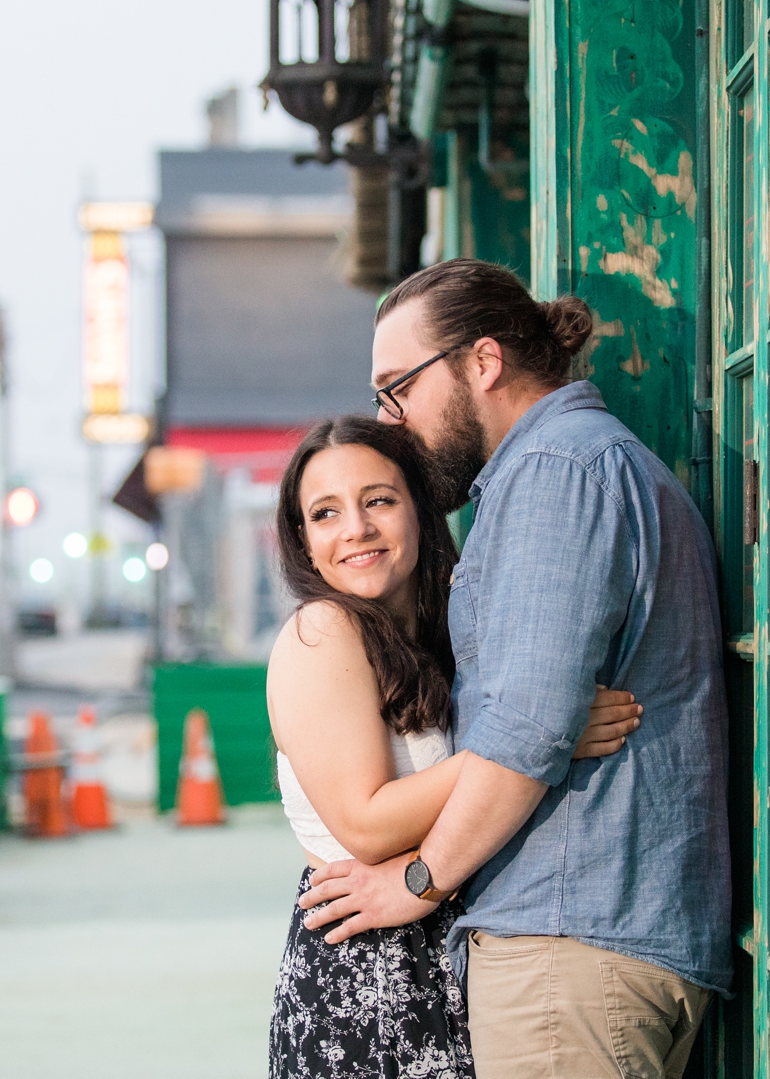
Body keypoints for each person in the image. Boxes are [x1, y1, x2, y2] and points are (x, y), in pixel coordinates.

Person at [297, 260, 731, 1079]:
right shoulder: (576, 464)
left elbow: (530, 727)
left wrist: (418, 884)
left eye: (400, 387)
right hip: (598, 936)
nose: (392, 421)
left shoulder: (553, 472)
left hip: (569, 942)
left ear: (483, 363)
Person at [266, 415, 645, 1079]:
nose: (355, 528)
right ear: (303, 540)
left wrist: (533, 734)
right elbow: (365, 822)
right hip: (368, 971)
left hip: (447, 943)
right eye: (325, 514)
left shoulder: (446, 629)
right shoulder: (321, 633)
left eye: (378, 500)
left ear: (417, 507)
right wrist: (538, 735)